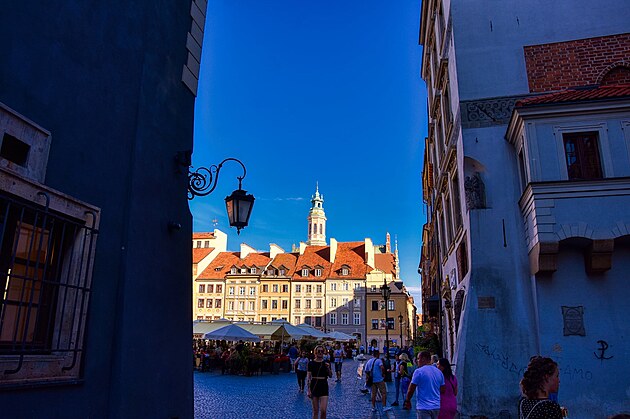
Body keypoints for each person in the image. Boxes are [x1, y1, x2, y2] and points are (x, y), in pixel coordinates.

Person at [403, 351, 445, 419]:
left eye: (418, 358)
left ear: (423, 359)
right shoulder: (438, 372)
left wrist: (407, 400)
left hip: (423, 407)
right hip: (436, 406)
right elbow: (443, 389)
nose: (417, 361)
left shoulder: (419, 372)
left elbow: (411, 389)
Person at [307, 345, 333, 419]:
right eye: (318, 351)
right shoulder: (311, 363)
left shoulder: (326, 363)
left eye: (322, 351)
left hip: (324, 385)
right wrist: (308, 390)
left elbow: (330, 375)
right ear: (315, 352)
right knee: (315, 410)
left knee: (323, 410)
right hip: (314, 385)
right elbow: (309, 377)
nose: (320, 353)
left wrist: (328, 368)